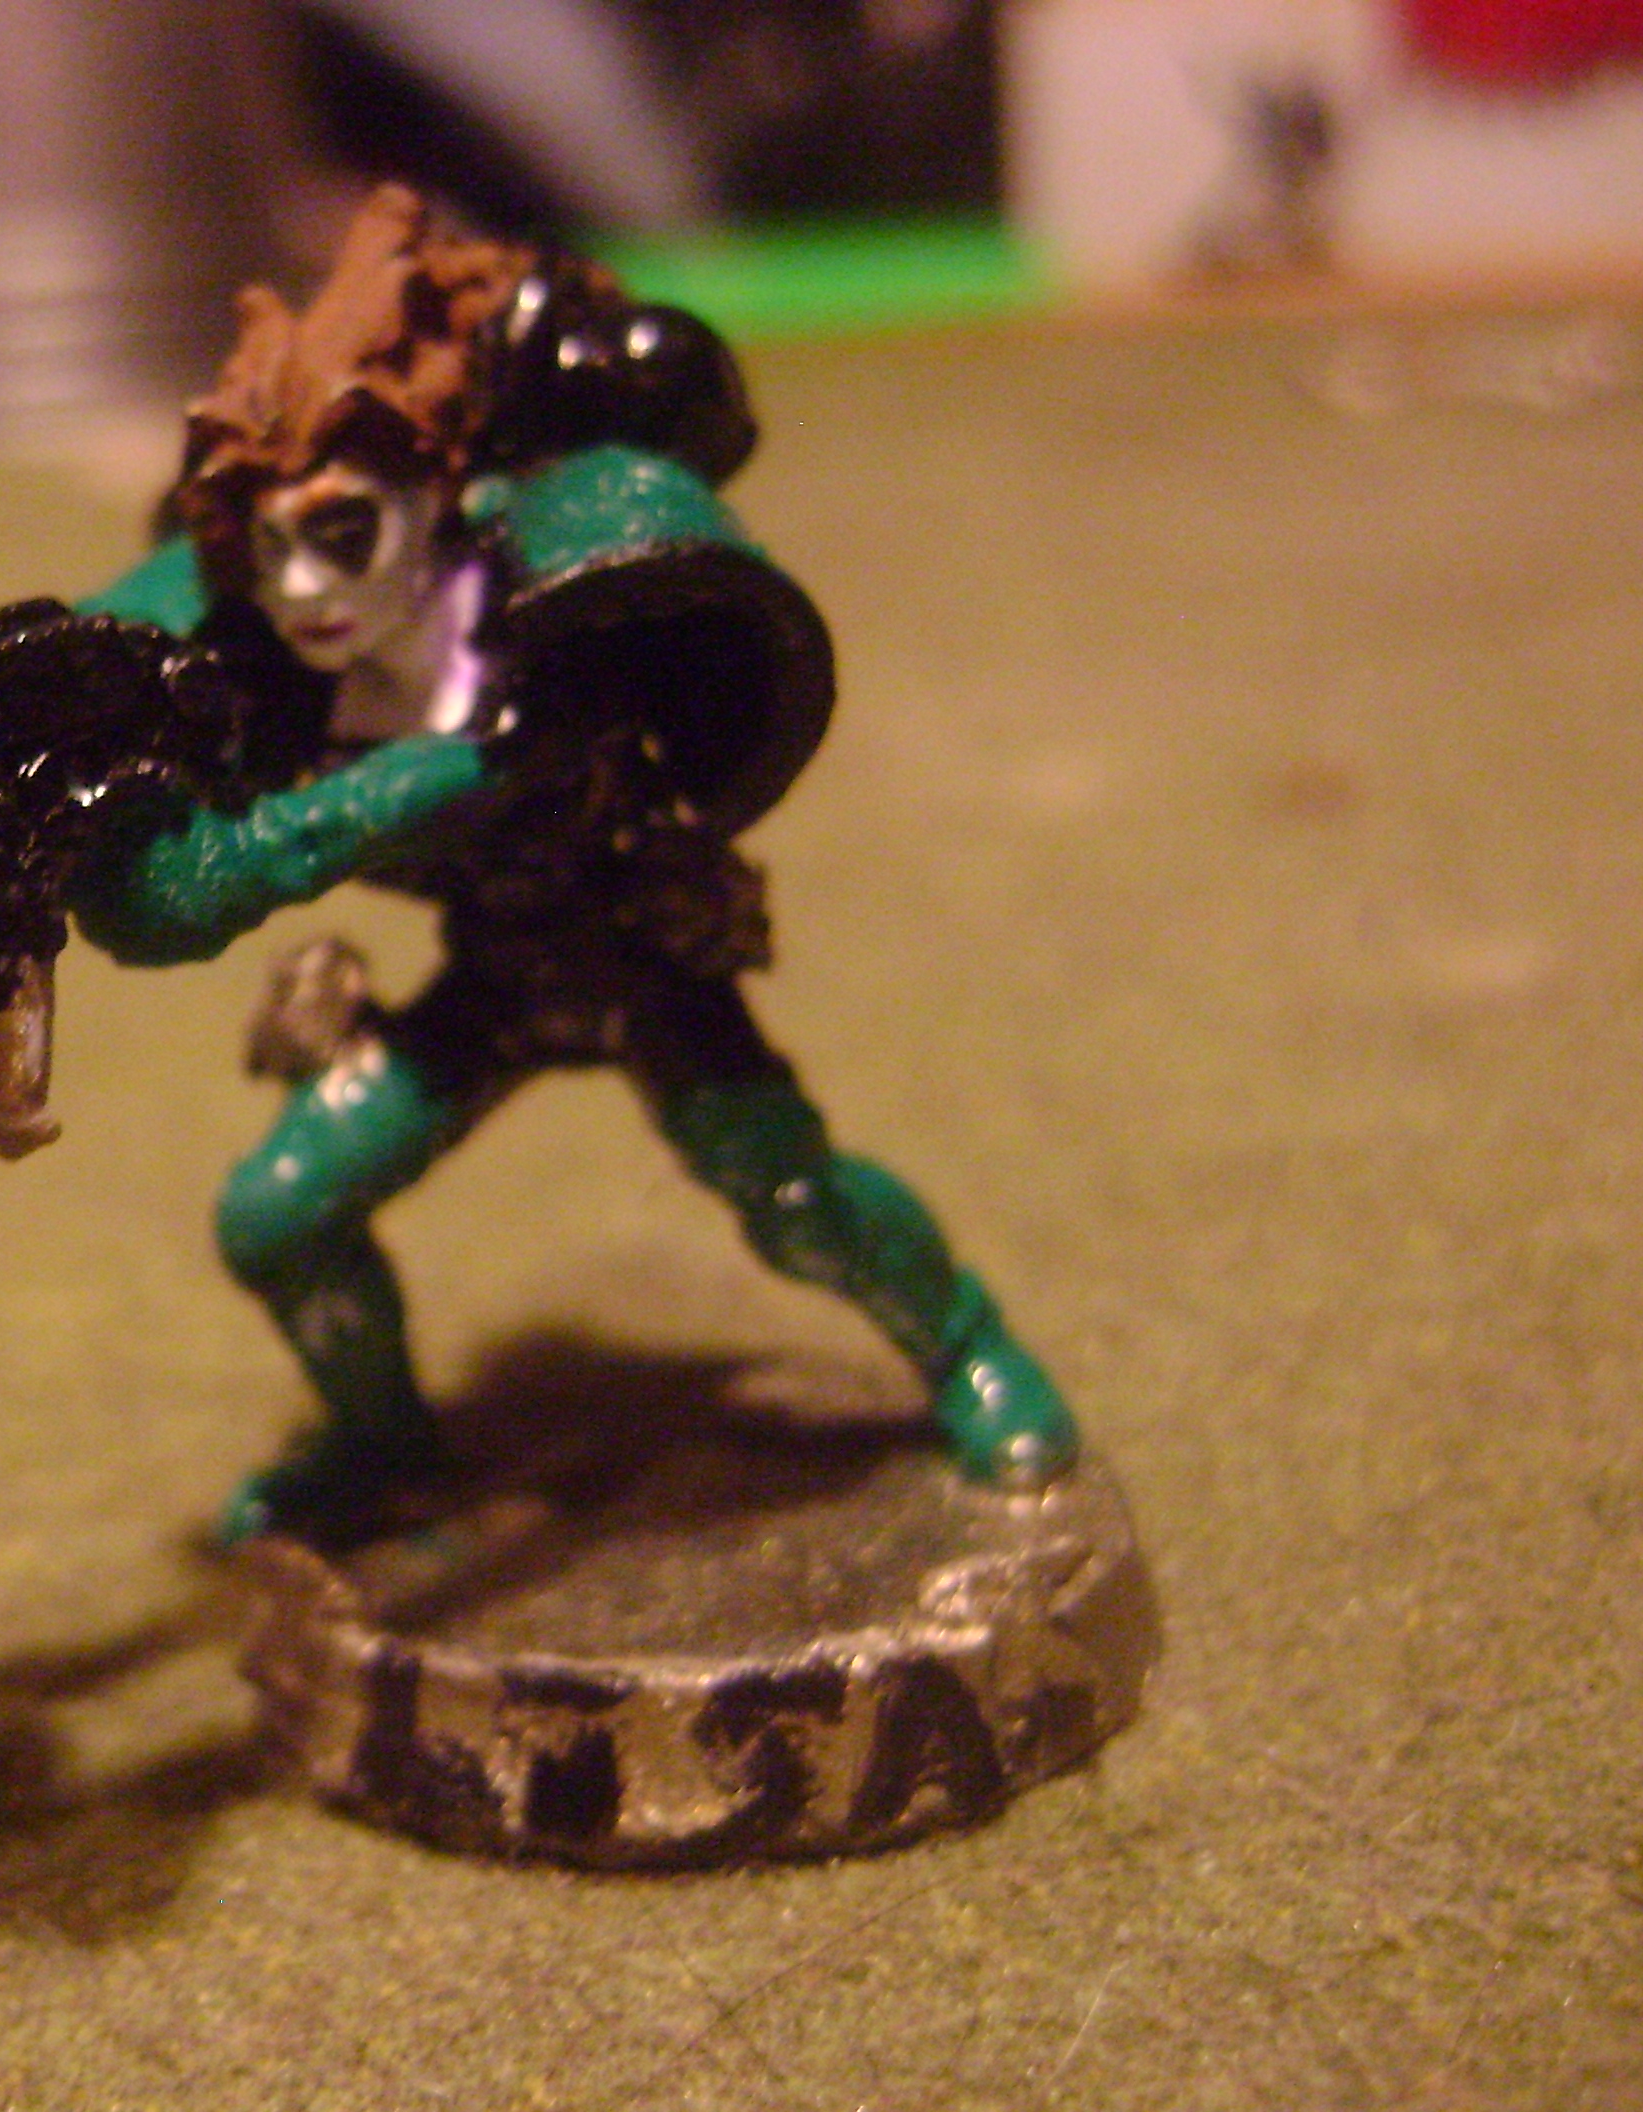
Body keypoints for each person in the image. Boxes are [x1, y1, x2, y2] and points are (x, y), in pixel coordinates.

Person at [62, 186, 1077, 1544]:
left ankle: (967, 1346)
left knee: (791, 1201)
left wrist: (270, 848)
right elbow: (176, 894)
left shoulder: (559, 621)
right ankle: (380, 1438)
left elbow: (476, 769)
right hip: (492, 980)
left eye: (344, 532)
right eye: (272, 547)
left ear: (436, 497)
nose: (304, 588)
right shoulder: (295, 677)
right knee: (279, 1214)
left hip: (643, 959)